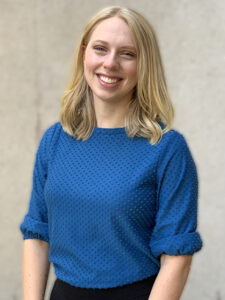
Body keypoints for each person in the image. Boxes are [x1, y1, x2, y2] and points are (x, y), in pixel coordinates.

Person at [19, 6, 203, 300]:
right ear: (84, 54)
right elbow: (38, 235)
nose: (110, 63)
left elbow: (177, 256)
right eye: (100, 49)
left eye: (127, 53)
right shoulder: (55, 140)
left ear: (144, 65)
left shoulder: (167, 149)